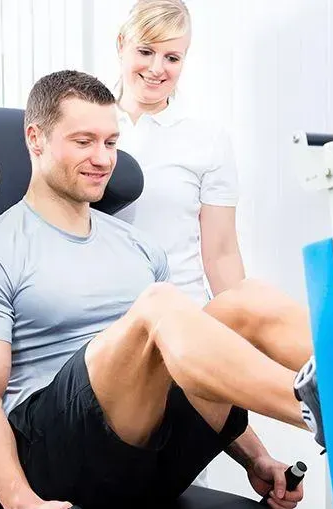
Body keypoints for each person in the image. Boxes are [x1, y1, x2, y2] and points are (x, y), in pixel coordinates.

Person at [0, 70, 325, 509]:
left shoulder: (138, 246)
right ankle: (330, 411)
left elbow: (197, 358)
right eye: (83, 141)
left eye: (111, 141)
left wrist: (257, 458)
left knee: (242, 301)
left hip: (151, 460)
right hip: (60, 462)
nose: (103, 159)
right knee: (162, 306)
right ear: (35, 138)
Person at [112, 0, 245, 306]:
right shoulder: (85, 127)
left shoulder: (207, 140)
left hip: (182, 312)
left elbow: (222, 253)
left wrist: (242, 327)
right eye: (145, 51)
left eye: (171, 57)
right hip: (101, 316)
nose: (157, 69)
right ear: (122, 44)